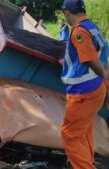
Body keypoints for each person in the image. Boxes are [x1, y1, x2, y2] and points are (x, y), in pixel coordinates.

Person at [60, 0, 109, 168]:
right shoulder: (92, 27)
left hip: (83, 93)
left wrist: (103, 74)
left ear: (67, 12)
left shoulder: (78, 32)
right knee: (83, 130)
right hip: (96, 89)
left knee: (70, 134)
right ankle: (87, 162)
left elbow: (92, 60)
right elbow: (103, 58)